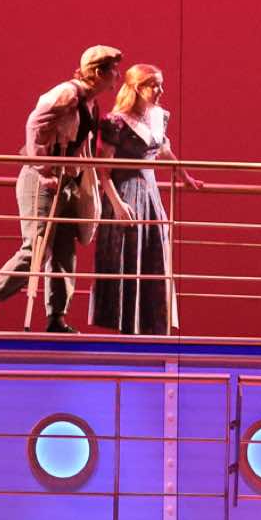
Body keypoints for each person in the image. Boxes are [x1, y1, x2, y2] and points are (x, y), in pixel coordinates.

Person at [0, 45, 125, 334]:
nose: (118, 75)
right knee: (36, 248)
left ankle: (56, 317)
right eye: (113, 69)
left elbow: (80, 143)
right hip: (43, 180)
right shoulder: (67, 94)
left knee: (64, 250)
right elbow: (35, 125)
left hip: (68, 181)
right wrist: (43, 168)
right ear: (98, 72)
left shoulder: (90, 102)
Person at [91, 64, 203, 335]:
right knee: (128, 256)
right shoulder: (115, 122)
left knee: (154, 255)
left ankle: (152, 327)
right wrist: (117, 204)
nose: (160, 90)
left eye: (160, 84)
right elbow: (103, 170)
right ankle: (127, 328)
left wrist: (184, 176)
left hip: (150, 195)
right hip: (125, 194)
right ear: (137, 88)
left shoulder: (158, 116)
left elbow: (163, 150)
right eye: (154, 85)